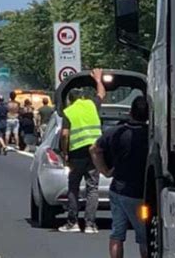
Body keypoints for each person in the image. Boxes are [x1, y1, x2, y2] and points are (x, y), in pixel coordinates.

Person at [89, 96, 149, 258]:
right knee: (145, 237)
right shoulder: (150, 136)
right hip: (139, 194)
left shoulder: (115, 132)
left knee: (117, 233)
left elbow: (94, 149)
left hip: (117, 190)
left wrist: (105, 171)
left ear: (130, 113)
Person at [58, 68, 106, 234]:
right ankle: (90, 225)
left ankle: (73, 223)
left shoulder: (69, 111)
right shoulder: (91, 105)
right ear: (83, 97)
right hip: (94, 151)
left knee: (74, 187)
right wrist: (98, 80)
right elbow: (101, 94)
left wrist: (65, 152)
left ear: (70, 100)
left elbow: (64, 134)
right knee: (92, 188)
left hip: (77, 153)